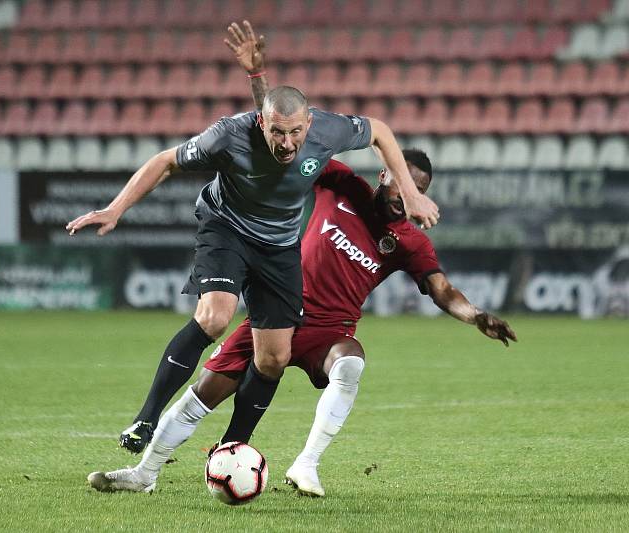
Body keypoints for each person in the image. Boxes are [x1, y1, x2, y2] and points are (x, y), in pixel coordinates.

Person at [67, 20, 440, 457]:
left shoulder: (327, 131)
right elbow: (166, 161)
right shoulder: (227, 135)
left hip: (279, 244)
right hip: (227, 226)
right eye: (277, 132)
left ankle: (232, 447)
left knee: (274, 357)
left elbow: (378, 130)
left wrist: (410, 191)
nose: (287, 143)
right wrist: (116, 208)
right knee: (214, 317)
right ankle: (146, 420)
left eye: (295, 132)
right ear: (262, 123)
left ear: (310, 123)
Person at [87, 152, 516, 496]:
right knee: (204, 393)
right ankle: (144, 473)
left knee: (350, 366)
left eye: (417, 191)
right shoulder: (343, 185)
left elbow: (442, 290)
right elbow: (290, 154)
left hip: (330, 330)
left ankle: (306, 465)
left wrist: (476, 315)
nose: (407, 195)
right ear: (386, 174)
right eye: (403, 183)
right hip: (276, 312)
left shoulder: (409, 240)